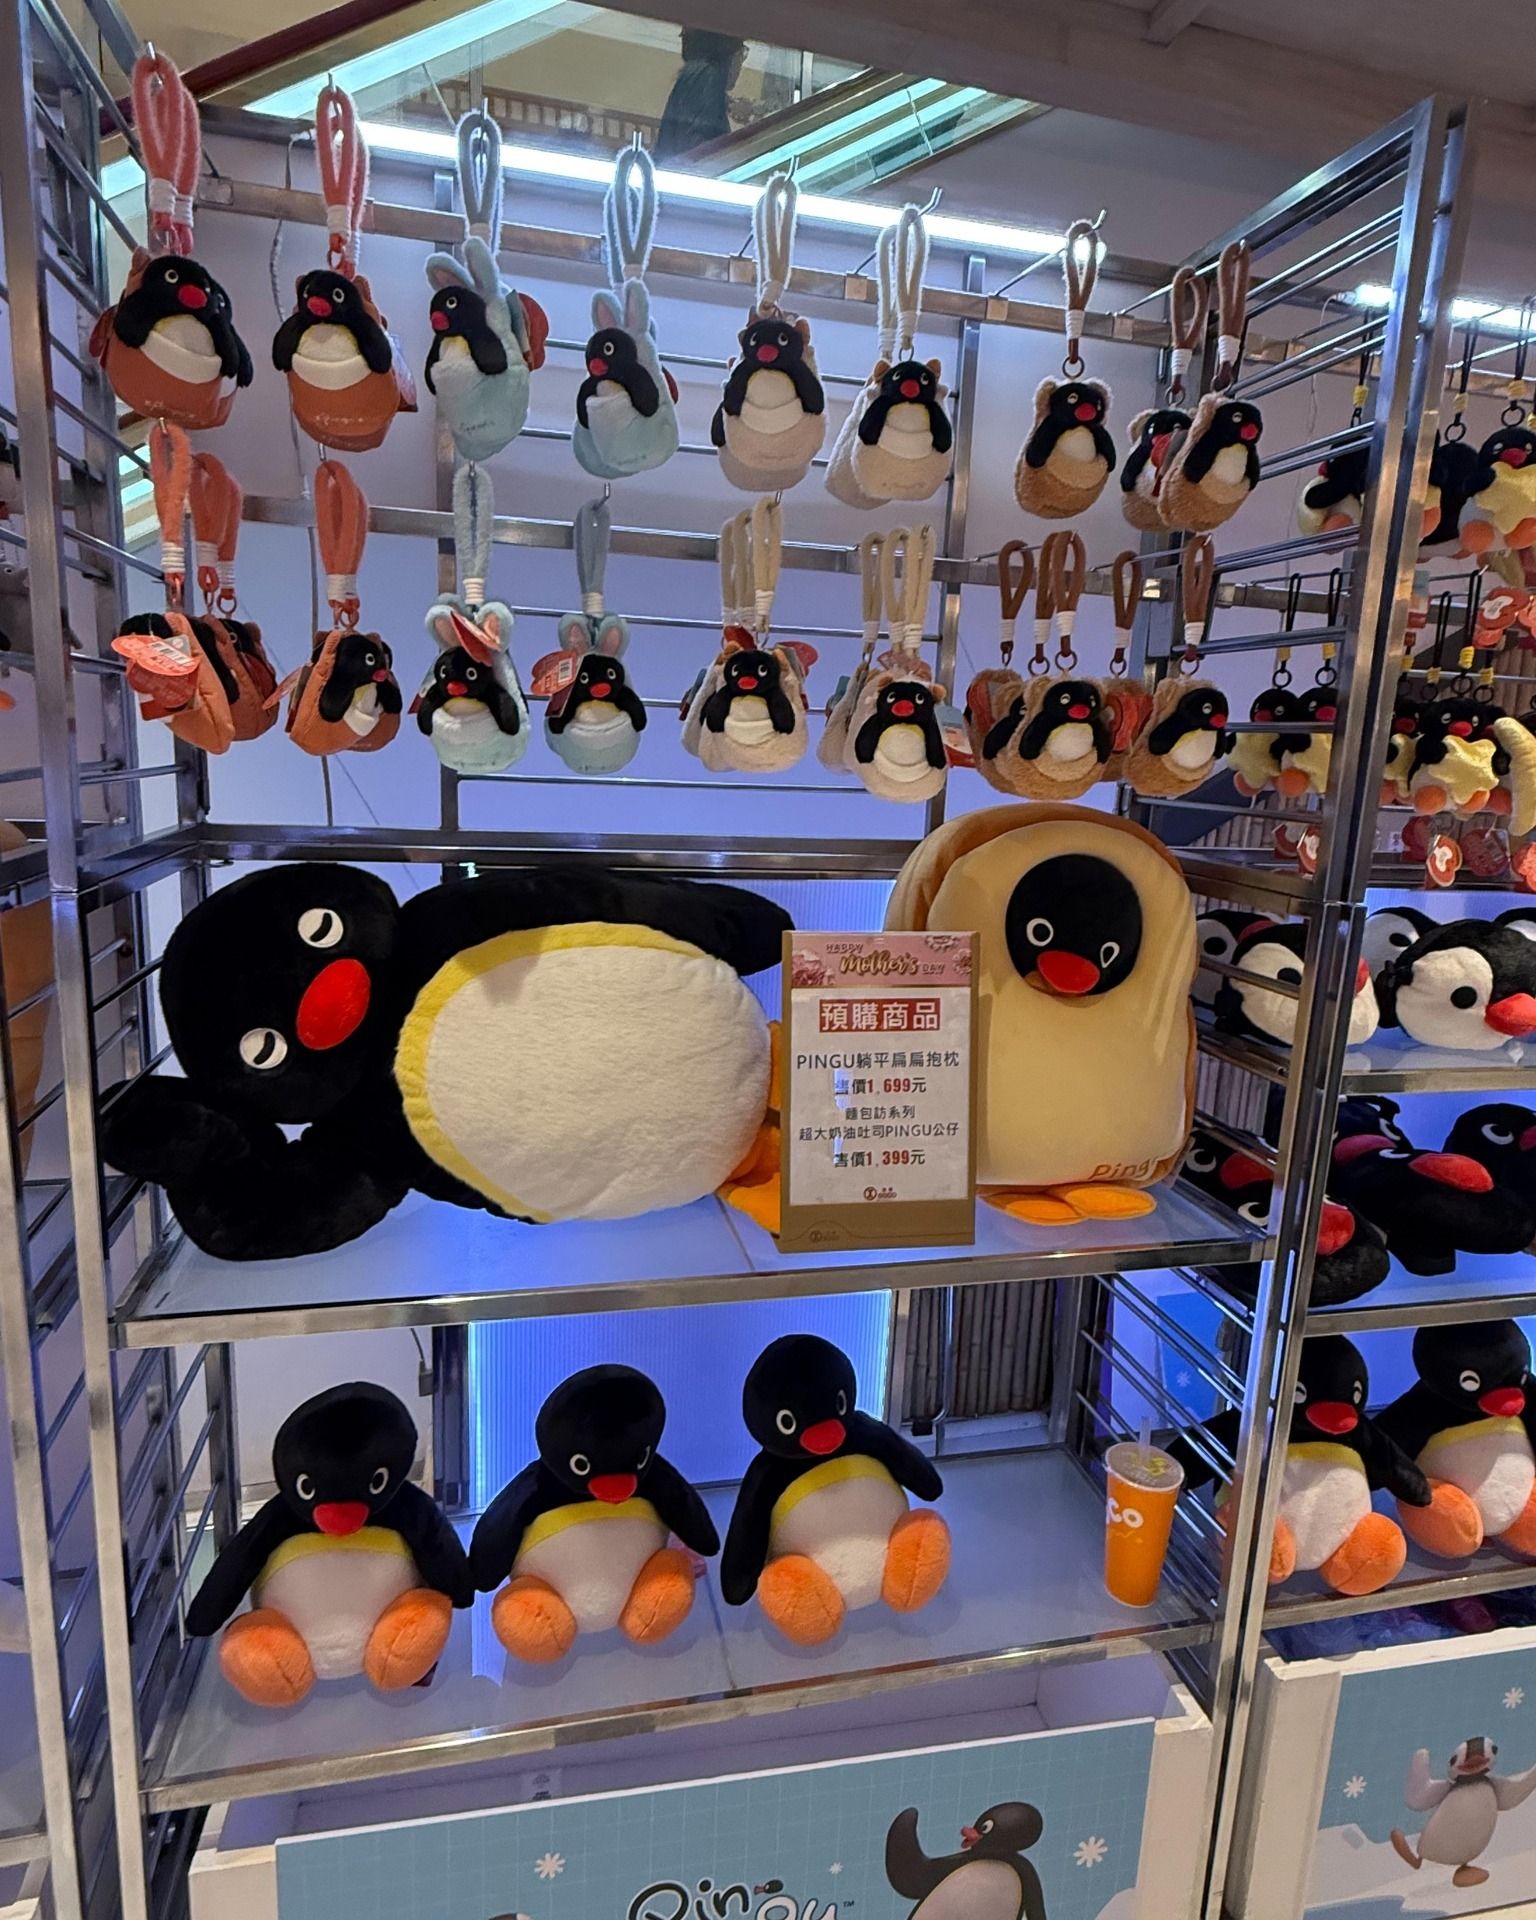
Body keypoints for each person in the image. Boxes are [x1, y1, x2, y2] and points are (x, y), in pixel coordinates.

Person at [656, 29, 747, 158]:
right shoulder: (708, 78)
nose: (741, 62)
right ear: (731, 56)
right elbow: (700, 151)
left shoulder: (693, 78)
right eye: (742, 54)